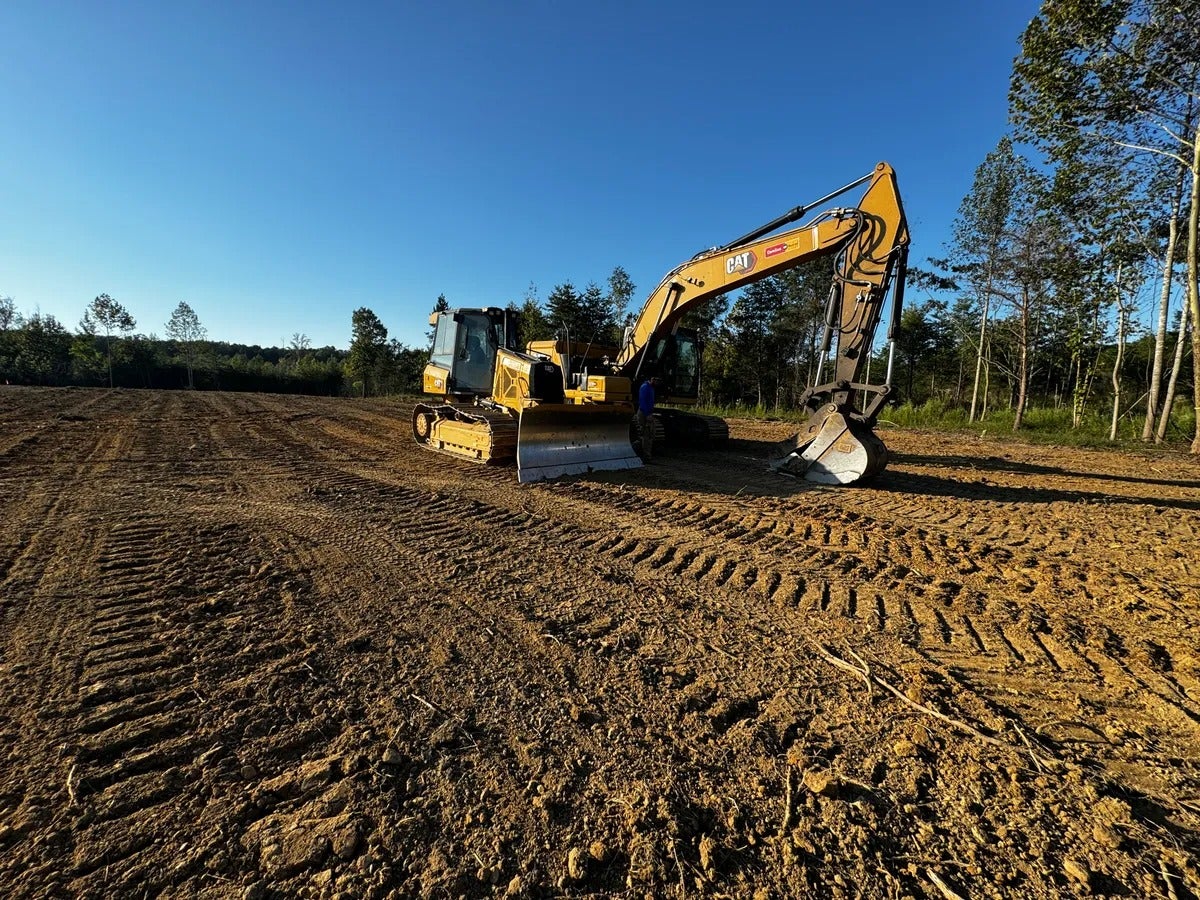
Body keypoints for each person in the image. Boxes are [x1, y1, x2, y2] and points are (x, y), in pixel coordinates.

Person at [636, 377, 660, 461]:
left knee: (650, 434)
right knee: (646, 434)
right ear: (652, 379)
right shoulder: (645, 387)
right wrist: (647, 414)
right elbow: (643, 402)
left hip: (648, 412)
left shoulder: (651, 388)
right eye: (656, 380)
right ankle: (646, 456)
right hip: (644, 413)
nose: (657, 382)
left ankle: (646, 454)